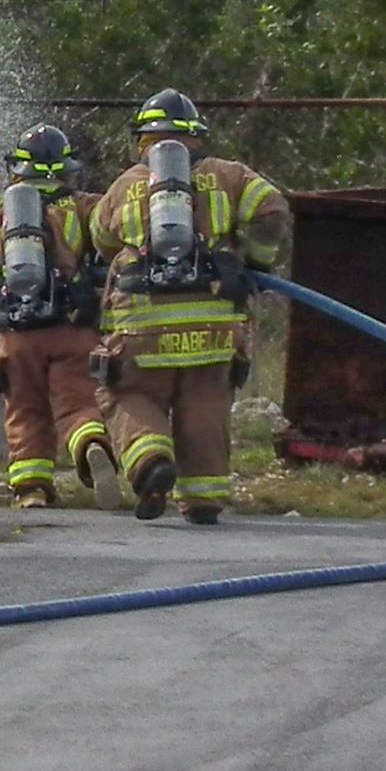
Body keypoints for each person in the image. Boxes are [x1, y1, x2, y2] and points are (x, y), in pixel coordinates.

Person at [89, 89, 290, 524]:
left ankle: (150, 462)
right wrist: (252, 259)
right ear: (196, 136)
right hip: (214, 327)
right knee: (206, 406)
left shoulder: (126, 184)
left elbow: (101, 240)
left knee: (127, 393)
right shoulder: (230, 175)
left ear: (143, 139)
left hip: (142, 327)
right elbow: (272, 211)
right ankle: (203, 500)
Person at [0, 123, 115, 509]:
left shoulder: (2, 215)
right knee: (79, 401)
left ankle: (31, 487)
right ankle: (90, 444)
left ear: (18, 169)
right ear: (67, 169)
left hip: (17, 333)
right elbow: (111, 232)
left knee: (24, 409)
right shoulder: (84, 206)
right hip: (72, 325)